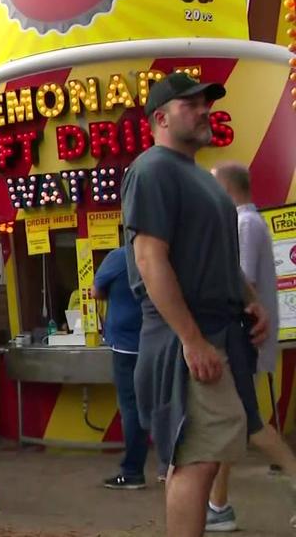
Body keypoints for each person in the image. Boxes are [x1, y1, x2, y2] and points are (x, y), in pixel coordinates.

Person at [122, 73, 267, 537]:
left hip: (219, 330)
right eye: (191, 104)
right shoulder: (152, 169)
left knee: (209, 453)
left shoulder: (200, 178)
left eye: (205, 102)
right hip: (187, 335)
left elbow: (217, 256)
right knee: (195, 459)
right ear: (159, 118)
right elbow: (149, 258)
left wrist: (251, 300)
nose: (204, 109)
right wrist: (191, 340)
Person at [204, 162, 296, 531]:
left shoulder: (243, 225)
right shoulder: (249, 223)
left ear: (226, 191)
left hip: (242, 340)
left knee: (250, 423)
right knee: (235, 423)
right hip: (246, 338)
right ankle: (218, 504)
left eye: (212, 187)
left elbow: (238, 284)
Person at [93, 247, 150, 490]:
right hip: (159, 341)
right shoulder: (166, 252)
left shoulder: (119, 257)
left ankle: (133, 472)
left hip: (126, 346)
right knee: (164, 403)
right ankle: (171, 466)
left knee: (131, 407)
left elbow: (96, 292)